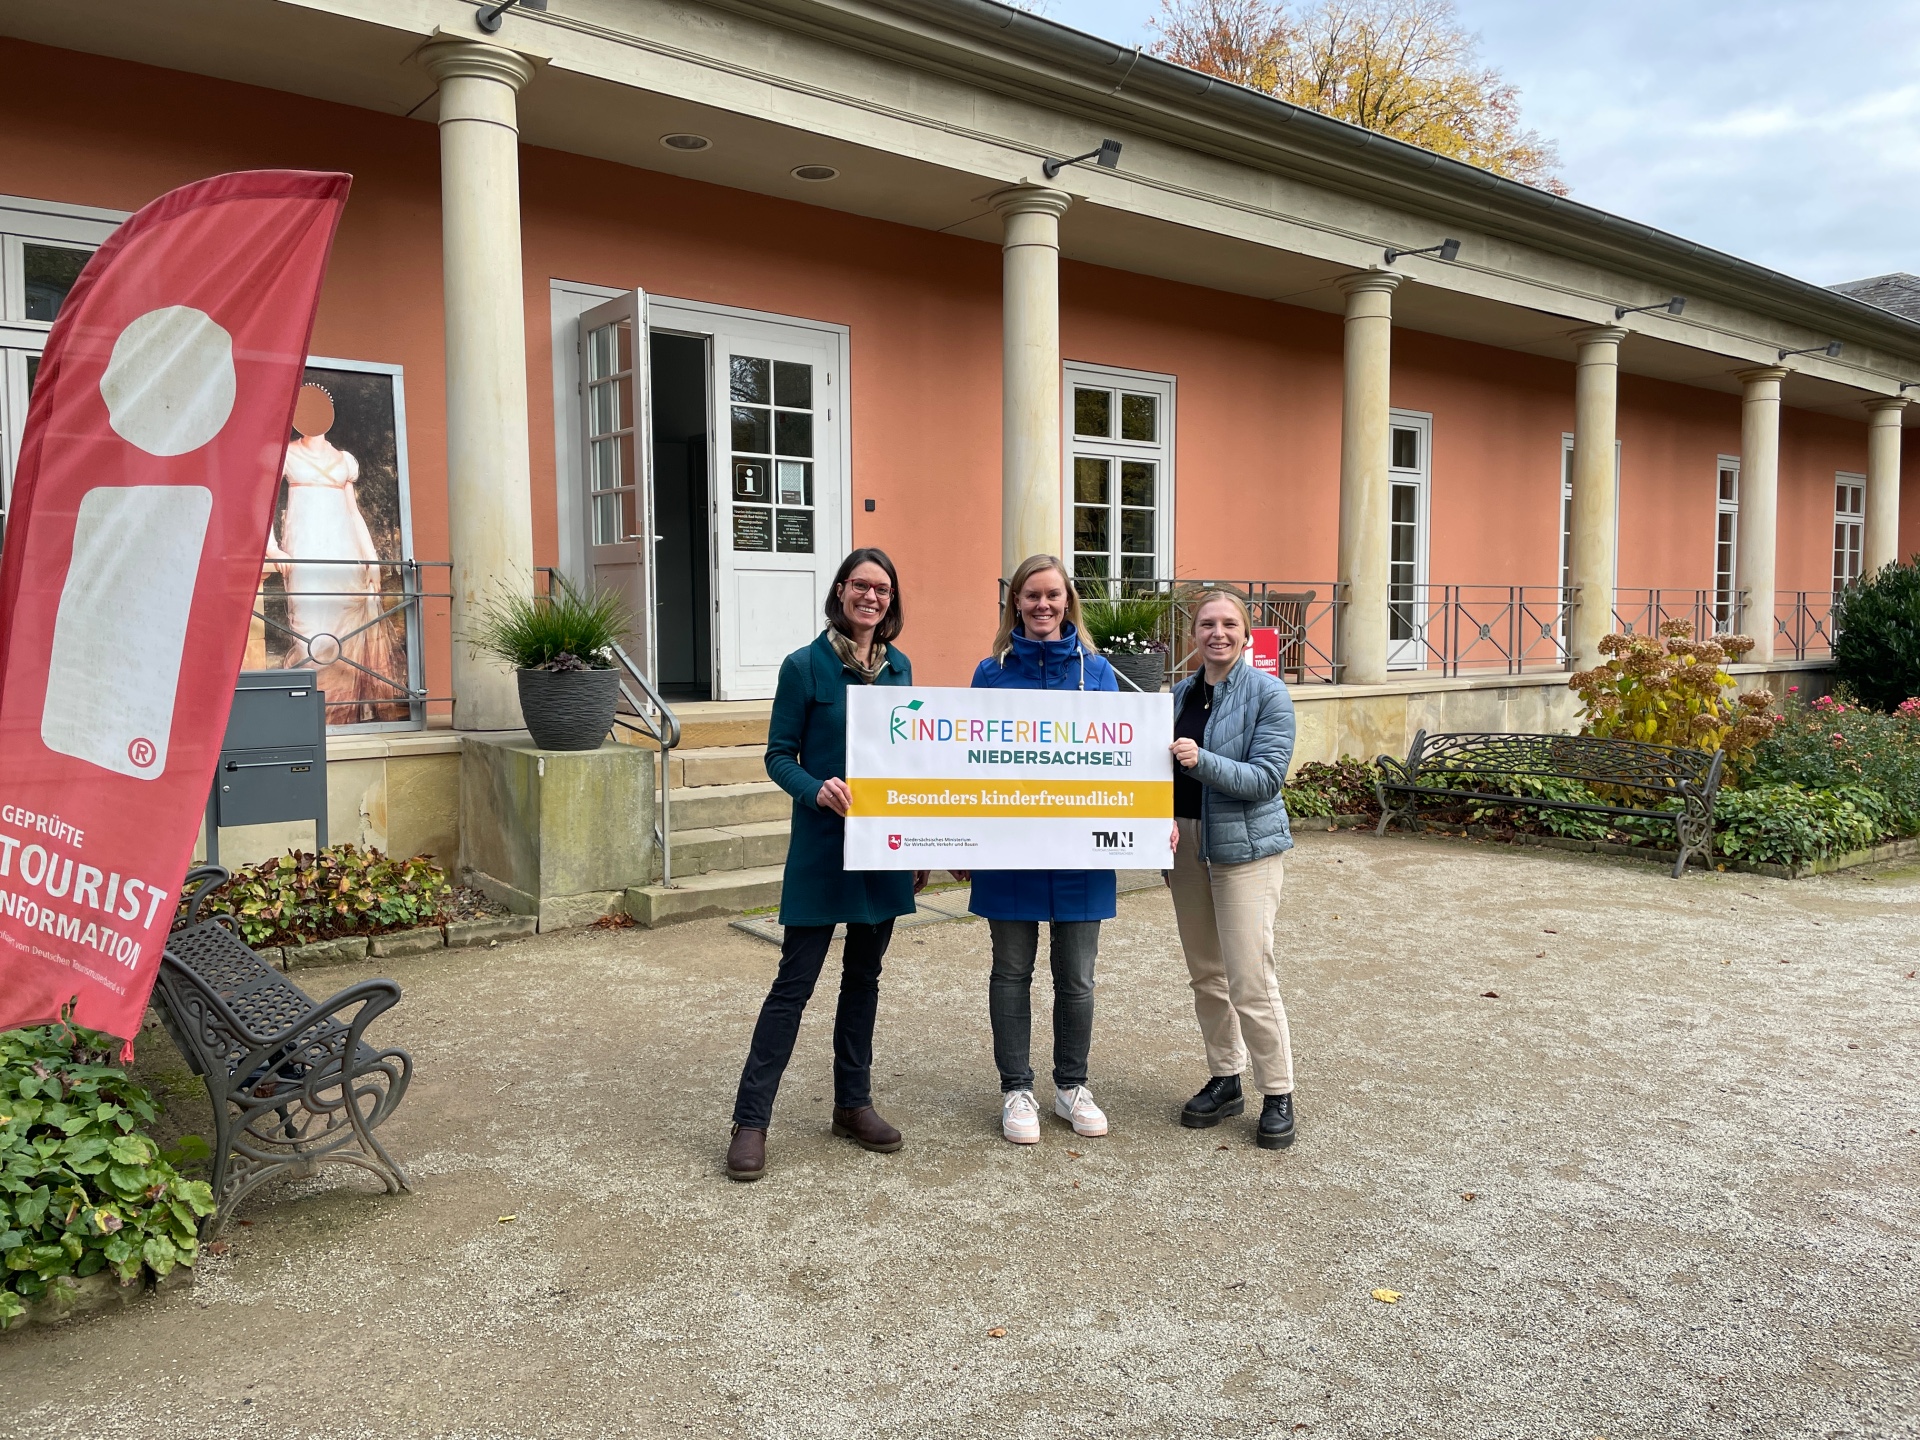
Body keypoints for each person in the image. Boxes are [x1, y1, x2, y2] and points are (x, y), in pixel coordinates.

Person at [726, 548, 925, 1182]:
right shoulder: (803, 666)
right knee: (794, 984)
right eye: (861, 586)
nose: (872, 597)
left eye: (883, 590)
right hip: (822, 846)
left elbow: (910, 762)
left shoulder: (899, 669)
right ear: (840, 591)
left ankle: (852, 1103)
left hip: (881, 849)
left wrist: (917, 841)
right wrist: (815, 789)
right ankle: (750, 1120)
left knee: (864, 978)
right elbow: (778, 755)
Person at [964, 554, 1119, 1146]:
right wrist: (963, 837)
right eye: (1031, 596)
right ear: (1016, 605)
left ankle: (1071, 1085)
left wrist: (1151, 818)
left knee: (1076, 977)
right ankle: (1016, 1088)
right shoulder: (991, 672)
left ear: (1068, 601)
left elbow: (1125, 761)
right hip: (1009, 846)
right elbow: (967, 762)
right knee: (1011, 971)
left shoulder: (1098, 671)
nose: (1043, 606)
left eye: (1053, 595)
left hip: (1080, 848)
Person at [1164, 588, 1300, 1150]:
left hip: (1246, 850)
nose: (1217, 633)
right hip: (1186, 844)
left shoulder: (1270, 694)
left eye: (1228, 624)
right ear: (1193, 634)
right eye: (1206, 624)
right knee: (1206, 973)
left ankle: (1278, 1091)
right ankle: (1226, 1079)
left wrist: (1203, 761)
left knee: (1250, 975)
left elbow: (1266, 778)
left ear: (1246, 635)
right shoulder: (1178, 694)